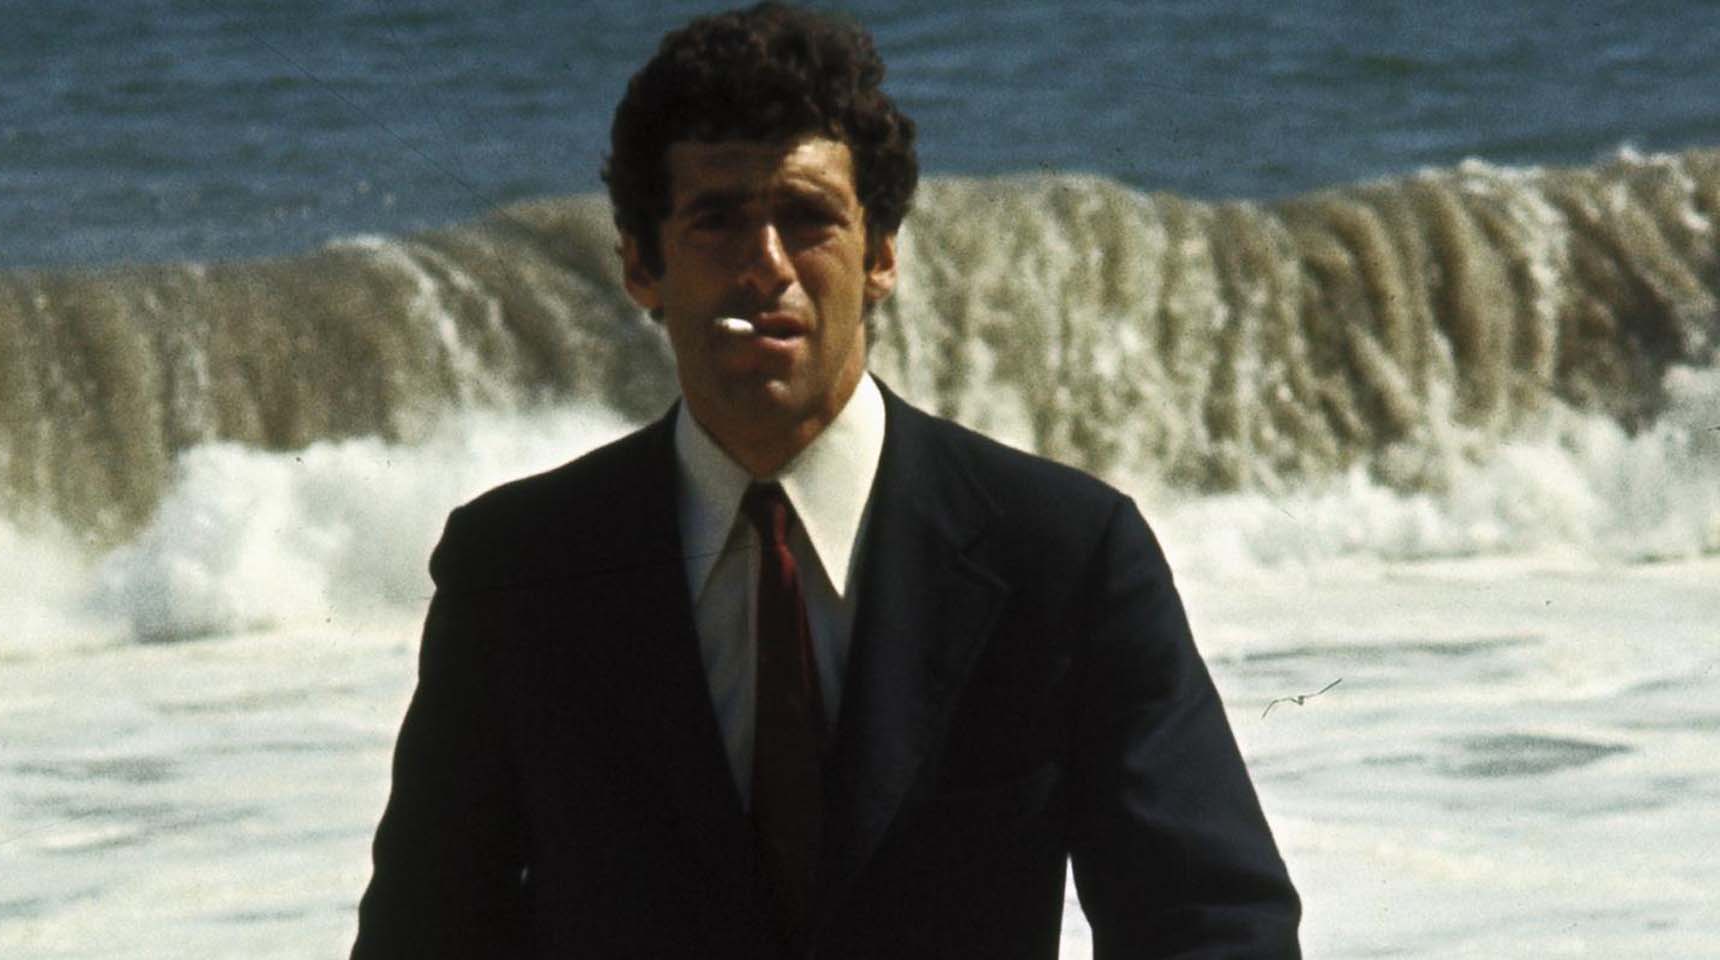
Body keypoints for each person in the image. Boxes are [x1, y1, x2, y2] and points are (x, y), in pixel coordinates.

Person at [351, 4, 1301, 957]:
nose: (765, 266)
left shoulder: (1061, 555)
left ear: (880, 256)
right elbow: (424, 936)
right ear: (641, 266)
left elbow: (1214, 923)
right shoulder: (519, 572)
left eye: (808, 218)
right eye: (717, 220)